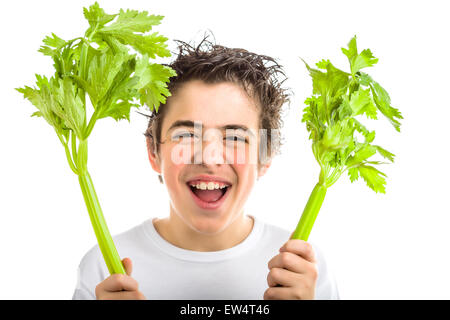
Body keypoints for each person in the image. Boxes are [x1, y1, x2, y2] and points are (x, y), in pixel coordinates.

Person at [72, 35, 339, 300]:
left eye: (235, 138)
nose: (210, 158)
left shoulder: (304, 271)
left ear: (265, 155)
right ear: (154, 151)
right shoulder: (104, 269)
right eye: (186, 135)